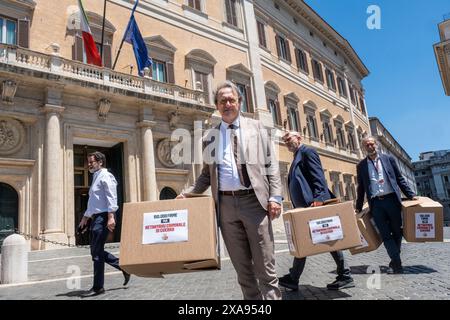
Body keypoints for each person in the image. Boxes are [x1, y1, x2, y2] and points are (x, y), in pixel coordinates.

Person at [178, 81, 283, 300]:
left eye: (231, 99)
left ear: (239, 102)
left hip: (255, 202)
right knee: (242, 269)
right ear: (217, 105)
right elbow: (207, 175)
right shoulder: (209, 137)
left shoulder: (256, 127)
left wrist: (275, 197)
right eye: (222, 100)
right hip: (225, 207)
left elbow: (271, 165)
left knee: (266, 266)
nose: (227, 104)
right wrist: (189, 192)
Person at [278, 131, 355, 291]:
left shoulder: (307, 151)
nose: (286, 142)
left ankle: (344, 275)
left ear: (299, 138)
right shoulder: (297, 155)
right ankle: (294, 278)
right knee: (315, 239)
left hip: (313, 206)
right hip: (304, 208)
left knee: (328, 238)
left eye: (289, 138)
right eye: (284, 140)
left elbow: (318, 176)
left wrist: (319, 199)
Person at [355, 136, 416, 274]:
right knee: (385, 234)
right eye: (367, 145)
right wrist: (358, 206)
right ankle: (397, 263)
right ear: (363, 148)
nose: (370, 147)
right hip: (376, 204)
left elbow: (399, 179)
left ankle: (394, 260)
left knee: (397, 232)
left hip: (392, 201)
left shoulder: (389, 159)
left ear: (376, 144)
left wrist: (411, 195)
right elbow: (361, 188)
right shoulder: (361, 165)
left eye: (371, 144)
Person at [78, 151, 130, 297]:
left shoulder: (106, 176)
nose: (88, 164)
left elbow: (111, 197)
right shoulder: (95, 176)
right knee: (96, 251)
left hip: (104, 217)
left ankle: (98, 287)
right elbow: (93, 202)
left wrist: (111, 216)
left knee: (96, 253)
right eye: (88, 162)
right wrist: (85, 218)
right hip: (96, 218)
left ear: (100, 162)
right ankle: (122, 267)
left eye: (91, 162)